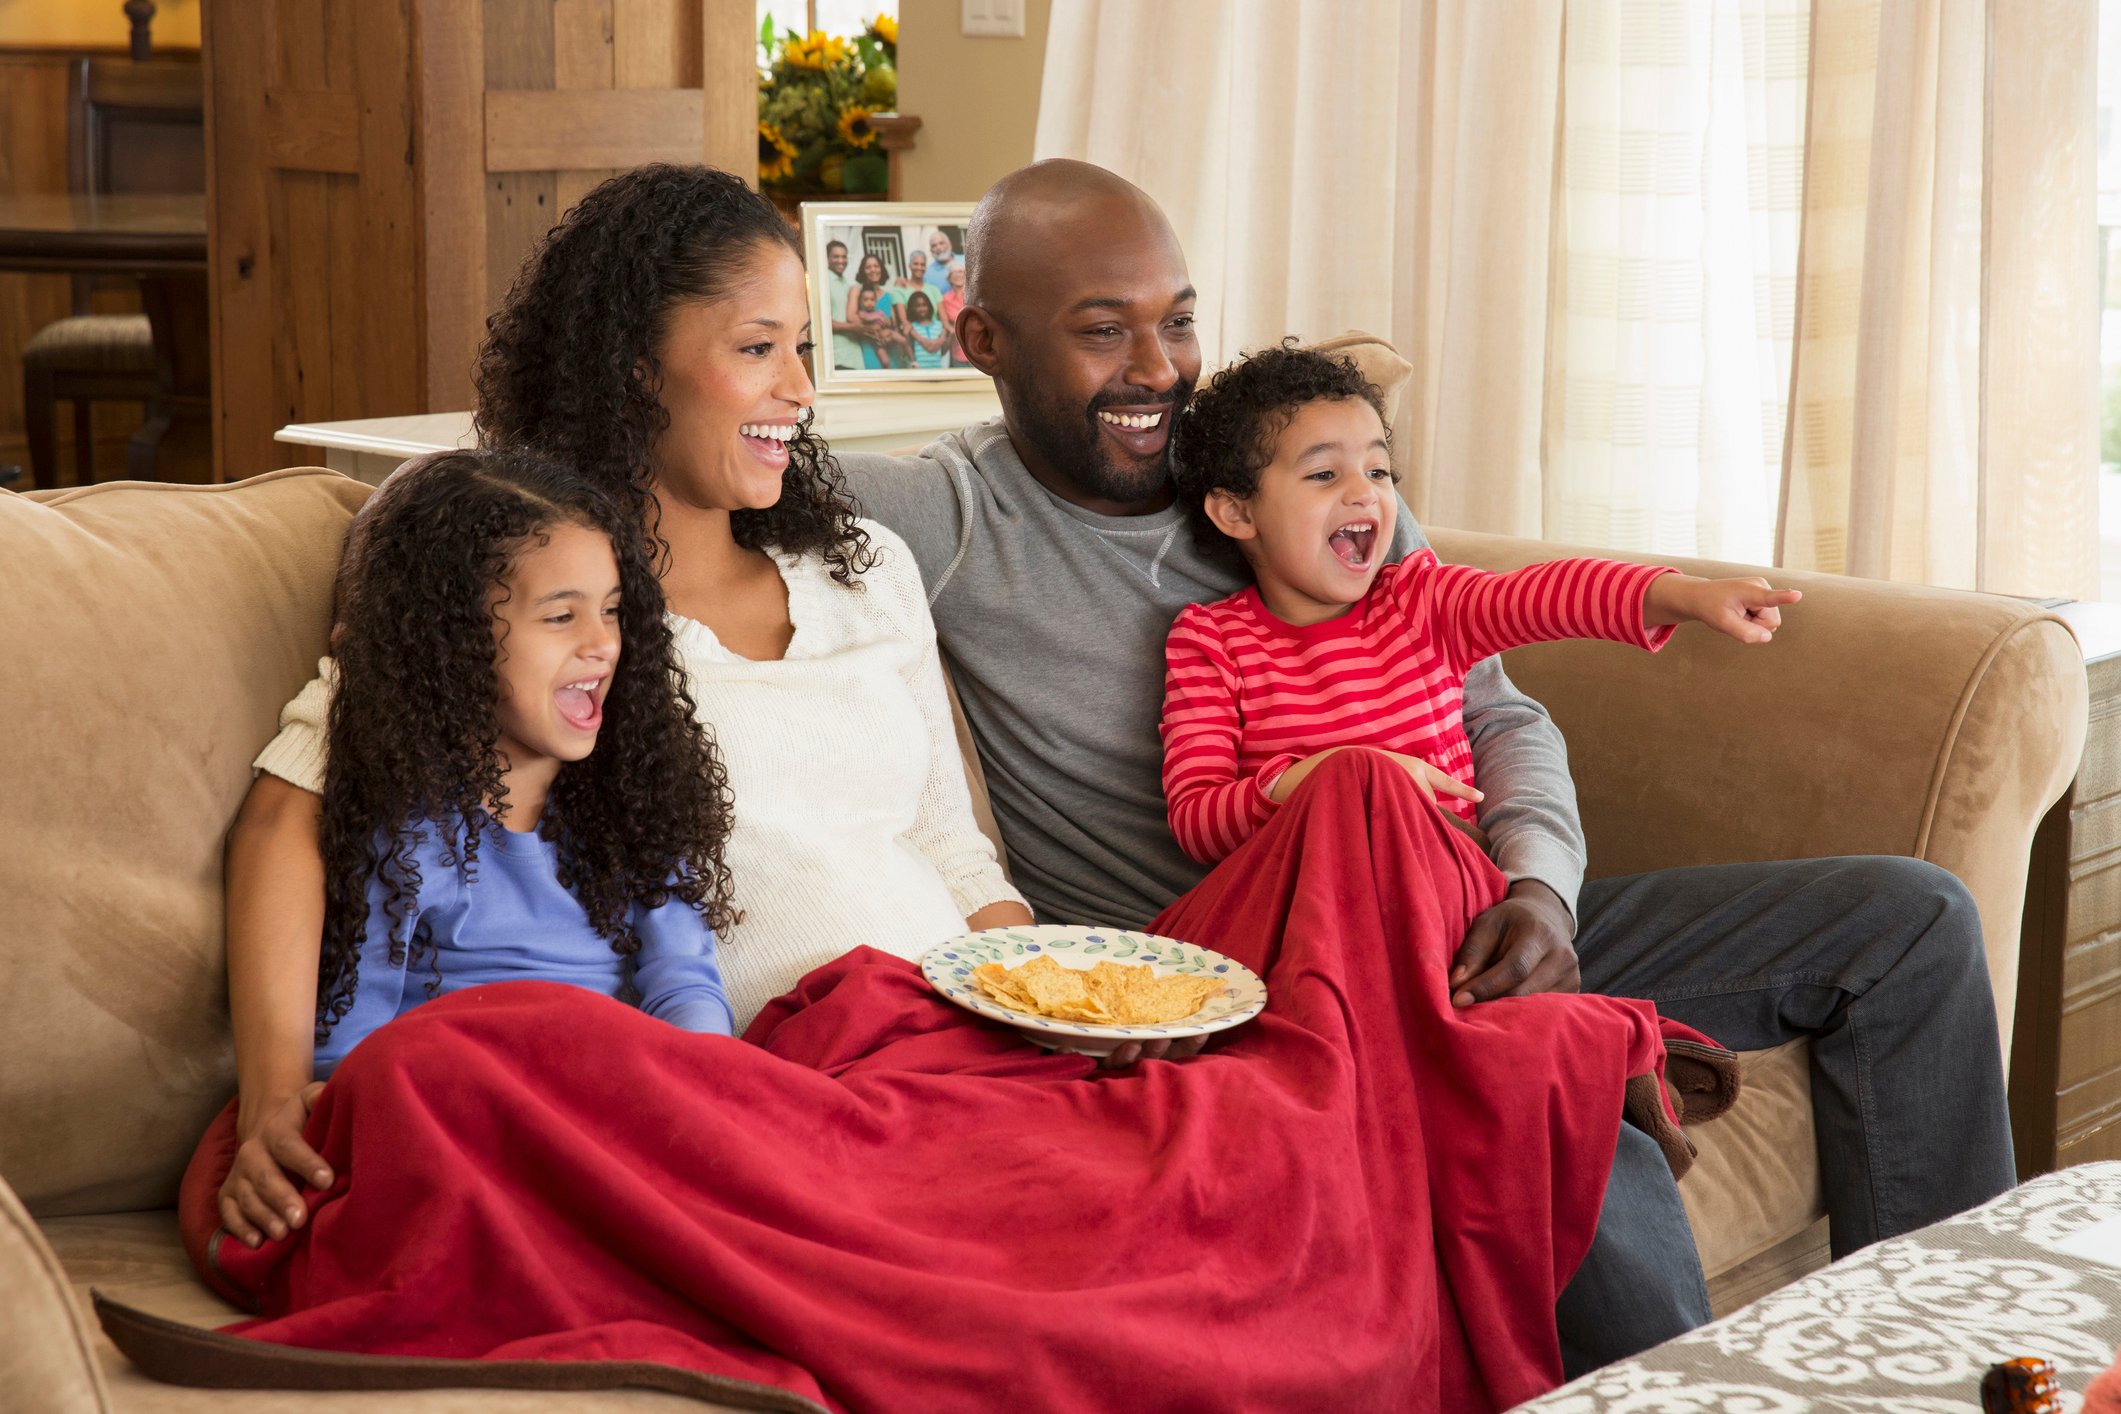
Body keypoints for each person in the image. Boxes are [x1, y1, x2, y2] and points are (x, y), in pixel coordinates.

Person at [829, 158, 2017, 1376]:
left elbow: (1501, 713)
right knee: (1551, 1087)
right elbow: (702, 460)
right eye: (1100, 331)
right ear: (982, 337)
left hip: (1470, 919)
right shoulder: (949, 520)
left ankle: (1941, 1368)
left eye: (1177, 319)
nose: (1156, 369)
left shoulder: (1309, 476)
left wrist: (1541, 891)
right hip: (1265, 977)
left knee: (1909, 922)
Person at [216, 164, 1031, 1253]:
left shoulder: (865, 567)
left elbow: (950, 849)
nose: (799, 388)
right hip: (786, 1077)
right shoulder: (528, 602)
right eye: (756, 348)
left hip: (960, 1038)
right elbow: (295, 814)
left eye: (802, 347)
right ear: (635, 368)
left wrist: (1055, 999)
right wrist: (277, 1096)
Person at [207, 446, 739, 1250]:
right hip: (487, 1107)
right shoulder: (407, 827)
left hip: (630, 1099)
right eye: (560, 617)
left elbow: (684, 980)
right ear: (449, 647)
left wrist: (707, 1095)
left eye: (613, 609)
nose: (601, 644)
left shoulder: (633, 801)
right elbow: (357, 1045)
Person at [1158, 342, 1800, 867]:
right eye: (1324, 474)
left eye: (1378, 472)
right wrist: (1331, 776)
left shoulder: (1420, 598)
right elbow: (1198, 819)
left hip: (1458, 899)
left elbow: (1546, 596)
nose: (1365, 494)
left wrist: (1682, 595)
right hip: (1314, 911)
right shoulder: (1210, 642)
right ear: (1237, 511)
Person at [847, 251, 906, 368]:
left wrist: (889, 335)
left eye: (876, 266)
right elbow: (851, 317)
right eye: (868, 267)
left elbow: (893, 326)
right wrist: (874, 326)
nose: (873, 270)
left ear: (881, 269)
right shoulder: (857, 291)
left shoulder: (889, 296)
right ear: (863, 271)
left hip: (891, 349)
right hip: (870, 347)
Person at [822, 238, 868, 371]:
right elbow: (820, 321)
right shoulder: (824, 282)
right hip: (838, 356)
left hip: (856, 356)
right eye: (836, 257)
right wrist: (851, 327)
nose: (841, 260)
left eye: (844, 256)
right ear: (827, 258)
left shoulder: (847, 284)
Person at [902, 289, 952, 371]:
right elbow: (909, 347)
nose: (922, 309)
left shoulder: (939, 326)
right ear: (912, 308)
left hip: (937, 370)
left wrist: (950, 336)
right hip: (919, 371)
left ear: (929, 306)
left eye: (924, 305)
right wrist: (913, 363)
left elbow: (943, 351)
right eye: (918, 306)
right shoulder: (912, 328)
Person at [940, 264, 968, 364]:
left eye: (960, 271)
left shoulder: (973, 296)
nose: (958, 275)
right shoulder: (945, 299)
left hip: (978, 349)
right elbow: (945, 323)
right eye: (954, 272)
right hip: (957, 351)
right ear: (949, 278)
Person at [924, 228, 960, 294]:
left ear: (949, 244)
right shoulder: (927, 274)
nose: (938, 247)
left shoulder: (966, 260)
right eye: (934, 246)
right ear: (931, 250)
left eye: (941, 243)